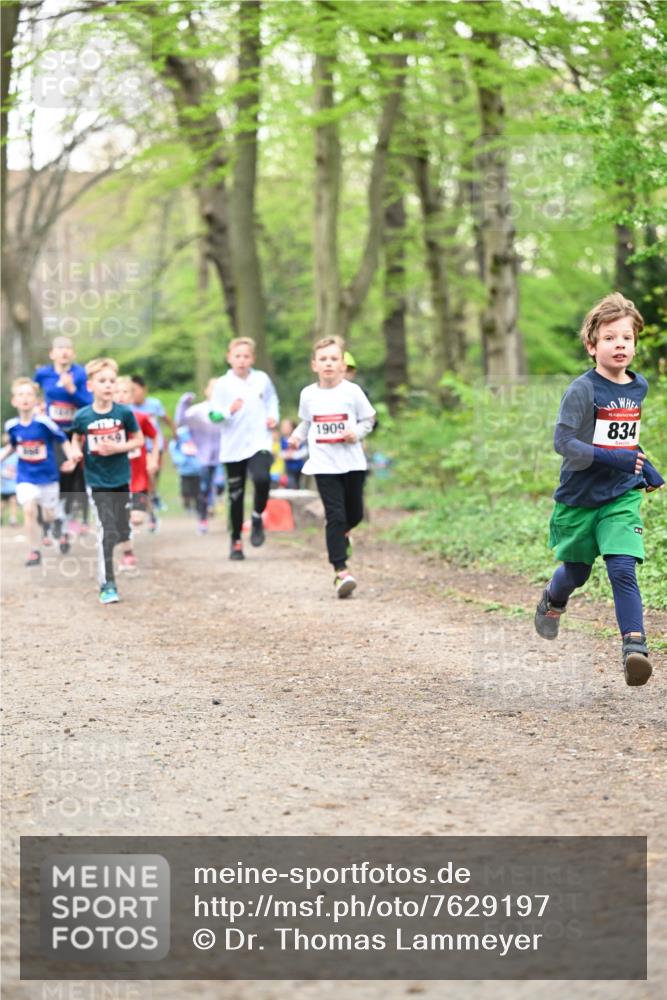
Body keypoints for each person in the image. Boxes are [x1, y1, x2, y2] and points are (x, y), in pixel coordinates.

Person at [534, 292, 664, 687]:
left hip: (621, 494)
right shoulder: (582, 390)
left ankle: (634, 648)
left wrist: (643, 464)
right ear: (592, 346)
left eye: (626, 337)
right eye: (610, 338)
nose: (620, 344)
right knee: (576, 570)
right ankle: (553, 599)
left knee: (622, 566)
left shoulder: (637, 386)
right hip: (579, 498)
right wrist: (616, 457)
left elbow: (624, 439)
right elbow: (565, 443)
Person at [289, 336, 375, 597]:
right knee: (335, 516)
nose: (328, 363)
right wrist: (295, 436)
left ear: (342, 365)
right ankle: (341, 571)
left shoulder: (352, 392)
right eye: (323, 359)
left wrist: (356, 433)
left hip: (352, 463)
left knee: (355, 514)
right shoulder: (308, 394)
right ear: (314, 365)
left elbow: (369, 419)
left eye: (334, 359)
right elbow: (306, 423)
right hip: (324, 464)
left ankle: (344, 534)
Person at [70, 359, 143, 604]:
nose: (108, 385)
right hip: (97, 481)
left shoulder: (123, 413)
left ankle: (125, 547)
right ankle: (107, 584)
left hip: (121, 478)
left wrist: (117, 448)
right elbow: (75, 440)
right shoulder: (83, 415)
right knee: (107, 530)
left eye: (112, 381)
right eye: (103, 381)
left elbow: (139, 440)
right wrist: (75, 452)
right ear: (91, 386)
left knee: (122, 529)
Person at [209, 337, 279, 560]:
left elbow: (272, 401)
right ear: (229, 358)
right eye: (237, 356)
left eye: (246, 356)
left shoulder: (262, 379)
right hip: (233, 446)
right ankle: (236, 541)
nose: (241, 360)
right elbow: (213, 415)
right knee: (236, 496)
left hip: (260, 441)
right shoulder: (222, 384)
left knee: (262, 479)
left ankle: (257, 516)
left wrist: (272, 417)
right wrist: (229, 410)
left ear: (253, 359)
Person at [0, 378, 76, 566]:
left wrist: (72, 457)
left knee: (49, 515)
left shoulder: (45, 423)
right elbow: (14, 445)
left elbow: (63, 440)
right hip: (26, 476)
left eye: (29, 394)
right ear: (14, 401)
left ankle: (60, 526)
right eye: (20, 395)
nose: (25, 398)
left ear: (36, 400)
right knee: (29, 510)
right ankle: (34, 551)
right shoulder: (11, 425)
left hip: (48, 476)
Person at [34, 335, 93, 551]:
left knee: (72, 479)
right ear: (52, 353)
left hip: (75, 434)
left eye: (68, 348)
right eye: (59, 348)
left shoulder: (80, 373)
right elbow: (35, 393)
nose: (64, 352)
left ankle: (65, 521)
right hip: (52, 434)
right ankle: (52, 522)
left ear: (73, 353)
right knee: (54, 476)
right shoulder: (43, 374)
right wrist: (38, 407)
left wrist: (72, 390)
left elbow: (88, 402)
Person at [115, 377, 159, 567]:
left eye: (126, 392)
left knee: (137, 519)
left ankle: (127, 540)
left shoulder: (140, 418)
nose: (122, 396)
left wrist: (153, 458)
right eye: (118, 392)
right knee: (121, 518)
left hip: (138, 478)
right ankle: (128, 552)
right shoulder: (105, 422)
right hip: (116, 478)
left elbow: (155, 437)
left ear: (133, 396)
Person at [175, 379, 222, 533]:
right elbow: (180, 420)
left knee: (221, 485)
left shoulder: (228, 410)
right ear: (206, 391)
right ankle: (203, 519)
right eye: (213, 388)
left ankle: (219, 506)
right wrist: (184, 403)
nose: (216, 392)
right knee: (204, 488)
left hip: (223, 456)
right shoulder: (198, 410)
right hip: (203, 457)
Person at [130, 375, 175, 525]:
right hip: (138, 449)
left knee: (151, 476)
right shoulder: (128, 408)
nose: (132, 393)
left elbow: (166, 419)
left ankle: (152, 502)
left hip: (155, 447)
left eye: (135, 390)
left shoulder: (154, 404)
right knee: (142, 481)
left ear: (144, 389)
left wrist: (174, 432)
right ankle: (150, 508)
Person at [169, 427, 203, 514]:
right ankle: (187, 506)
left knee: (197, 491)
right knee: (185, 491)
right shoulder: (180, 435)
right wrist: (180, 461)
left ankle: (197, 507)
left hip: (197, 470)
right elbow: (174, 450)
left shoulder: (197, 433)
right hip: (184, 471)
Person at [279, 418, 307, 489]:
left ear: (292, 428)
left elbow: (305, 450)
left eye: (286, 427)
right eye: (282, 427)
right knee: (290, 483)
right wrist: (285, 455)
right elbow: (279, 452)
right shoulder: (282, 440)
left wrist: (294, 455)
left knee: (297, 484)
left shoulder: (298, 439)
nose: (283, 429)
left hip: (299, 467)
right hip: (288, 468)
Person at [1, 447, 19, 526]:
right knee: (3, 501)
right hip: (4, 481)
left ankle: (13, 519)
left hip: (14, 481)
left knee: (13, 499)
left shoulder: (17, 452)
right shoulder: (1, 451)